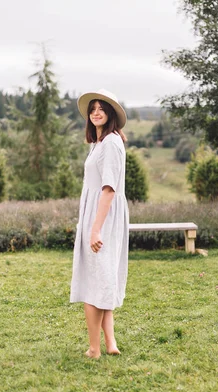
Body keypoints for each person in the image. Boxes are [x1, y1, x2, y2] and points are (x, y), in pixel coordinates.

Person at [70, 89, 129, 359]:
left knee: (95, 279)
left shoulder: (111, 144)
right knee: (102, 276)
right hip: (98, 212)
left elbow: (108, 189)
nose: (95, 112)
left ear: (111, 114)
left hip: (103, 214)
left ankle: (94, 349)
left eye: (101, 108)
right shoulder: (100, 142)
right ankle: (109, 342)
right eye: (92, 108)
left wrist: (95, 228)